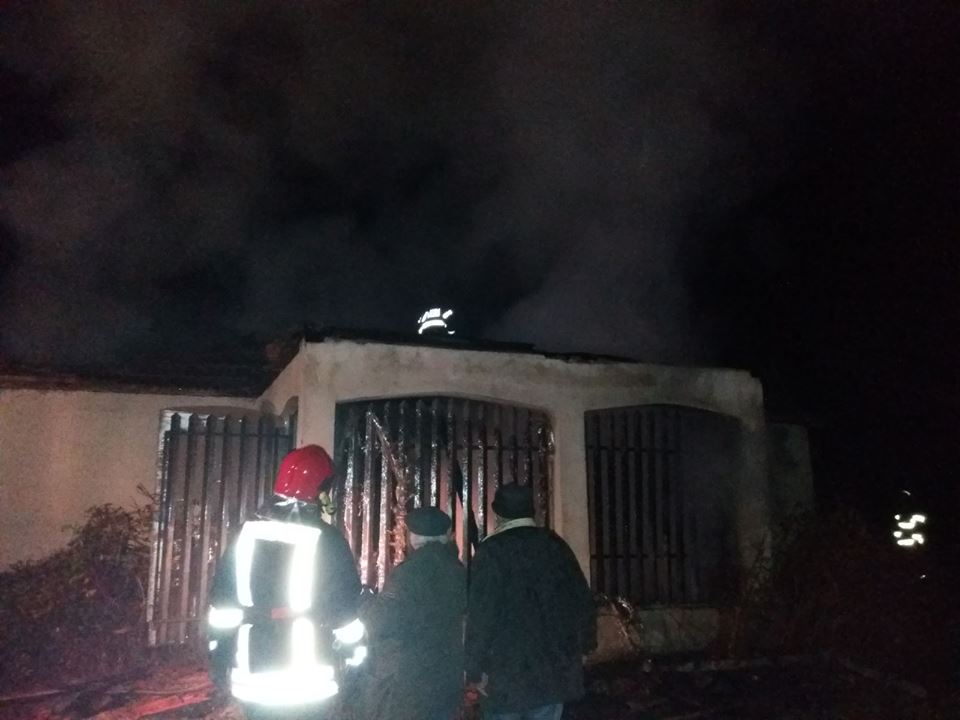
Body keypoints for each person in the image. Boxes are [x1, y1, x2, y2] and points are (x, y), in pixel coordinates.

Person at [206, 445, 364, 717]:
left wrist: (218, 655)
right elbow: (344, 611)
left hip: (252, 674)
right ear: (318, 491)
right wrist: (355, 658)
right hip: (307, 679)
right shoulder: (328, 541)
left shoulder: (245, 534)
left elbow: (222, 606)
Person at [465, 483, 596, 720]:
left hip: (506, 674)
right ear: (531, 510)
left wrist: (474, 668)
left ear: (498, 513)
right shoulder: (555, 545)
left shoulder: (492, 551)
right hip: (552, 671)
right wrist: (585, 645)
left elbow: (481, 615)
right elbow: (580, 599)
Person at [361, 506, 468, 720]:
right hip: (448, 677)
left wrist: (365, 603)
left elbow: (381, 621)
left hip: (411, 679)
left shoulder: (407, 573)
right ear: (447, 535)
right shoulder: (458, 571)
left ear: (413, 537)